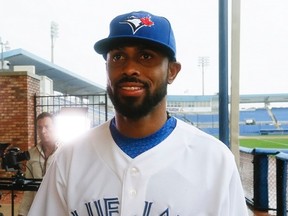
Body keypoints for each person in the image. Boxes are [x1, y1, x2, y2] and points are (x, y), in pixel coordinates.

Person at [28, 11, 249, 215]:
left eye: (146, 56)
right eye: (118, 57)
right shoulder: (69, 159)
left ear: (172, 71)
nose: (129, 68)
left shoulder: (215, 161)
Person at [18, 112, 59, 216]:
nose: (43, 131)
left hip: (59, 209)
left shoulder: (66, 152)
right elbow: (28, 190)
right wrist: (22, 213)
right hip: (37, 210)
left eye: (47, 126)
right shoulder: (31, 154)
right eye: (39, 127)